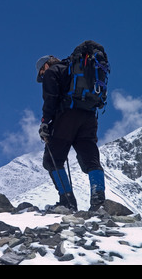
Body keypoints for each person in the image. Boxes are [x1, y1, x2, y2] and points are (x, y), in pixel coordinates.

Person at [36, 46, 106, 212]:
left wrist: (45, 123)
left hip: (67, 117)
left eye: (41, 73)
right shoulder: (77, 70)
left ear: (46, 66)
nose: (42, 75)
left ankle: (67, 201)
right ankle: (98, 201)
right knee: (91, 159)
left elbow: (50, 99)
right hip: (89, 116)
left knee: (52, 159)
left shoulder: (52, 72)